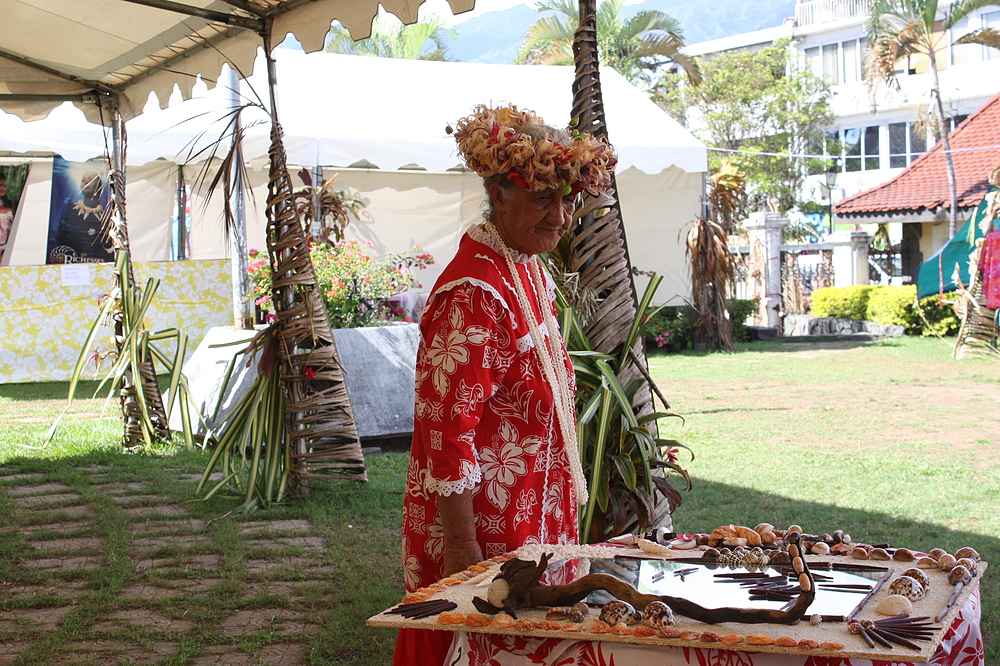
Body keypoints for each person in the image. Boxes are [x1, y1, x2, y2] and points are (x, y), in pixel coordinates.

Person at [394, 104, 616, 665]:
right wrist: (465, 553)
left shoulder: (523, 265)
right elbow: (448, 436)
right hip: (488, 541)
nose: (561, 216)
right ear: (498, 194)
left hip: (532, 527)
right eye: (544, 197)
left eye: (569, 199)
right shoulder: (474, 292)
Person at [48, 171, 114, 263]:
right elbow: (59, 238)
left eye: (91, 180)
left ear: (99, 187)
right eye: (83, 180)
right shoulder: (69, 209)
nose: (86, 182)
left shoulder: (107, 216)